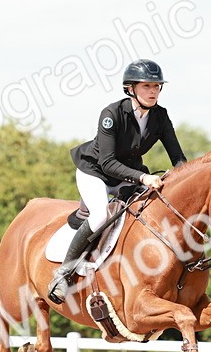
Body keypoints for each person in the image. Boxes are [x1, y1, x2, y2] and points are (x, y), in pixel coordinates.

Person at [47, 59, 189, 304]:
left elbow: (178, 158)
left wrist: (184, 180)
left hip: (128, 174)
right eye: (147, 86)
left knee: (146, 210)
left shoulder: (161, 116)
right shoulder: (111, 114)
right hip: (96, 172)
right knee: (101, 215)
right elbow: (108, 162)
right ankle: (63, 274)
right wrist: (144, 177)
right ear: (130, 88)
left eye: (157, 86)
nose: (153, 91)